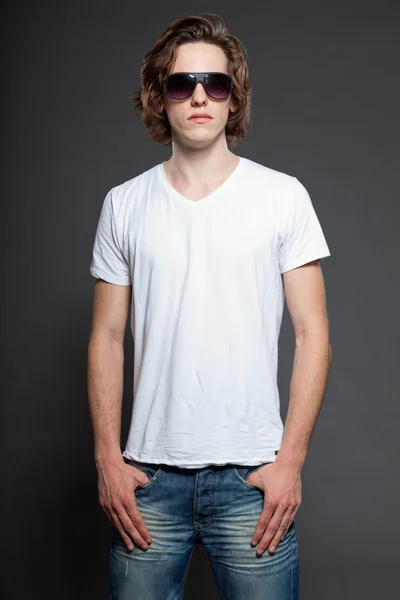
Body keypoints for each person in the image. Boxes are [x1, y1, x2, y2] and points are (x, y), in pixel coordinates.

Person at [87, 12, 332, 600]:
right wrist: (107, 462)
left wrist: (290, 463)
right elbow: (106, 337)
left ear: (232, 98)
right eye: (182, 83)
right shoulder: (123, 205)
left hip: (253, 482)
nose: (199, 95)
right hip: (146, 484)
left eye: (215, 83)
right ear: (160, 98)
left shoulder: (283, 197)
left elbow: (313, 332)